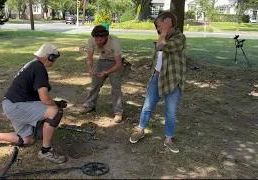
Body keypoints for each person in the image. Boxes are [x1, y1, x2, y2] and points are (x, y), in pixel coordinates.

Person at [0, 44, 67, 164]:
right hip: (17, 106)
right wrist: (55, 105)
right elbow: (44, 99)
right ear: (49, 57)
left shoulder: (33, 64)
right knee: (55, 111)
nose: (54, 61)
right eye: (54, 58)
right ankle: (46, 151)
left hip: (11, 105)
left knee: (27, 140)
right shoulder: (39, 68)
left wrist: (55, 102)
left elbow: (37, 96)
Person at [129, 12, 187, 153]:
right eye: (157, 27)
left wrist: (166, 29)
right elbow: (158, 56)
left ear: (169, 23)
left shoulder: (180, 37)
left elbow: (161, 46)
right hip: (156, 78)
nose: (158, 29)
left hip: (172, 80)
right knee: (147, 107)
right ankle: (140, 131)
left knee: (170, 112)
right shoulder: (163, 36)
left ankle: (168, 140)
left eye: (159, 26)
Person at [79, 25, 124, 123]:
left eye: (101, 40)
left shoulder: (115, 42)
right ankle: (89, 105)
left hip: (114, 62)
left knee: (116, 87)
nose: (98, 42)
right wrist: (90, 68)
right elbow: (89, 56)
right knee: (95, 84)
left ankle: (118, 112)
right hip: (102, 60)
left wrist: (107, 72)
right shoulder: (91, 39)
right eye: (97, 40)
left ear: (106, 37)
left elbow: (118, 63)